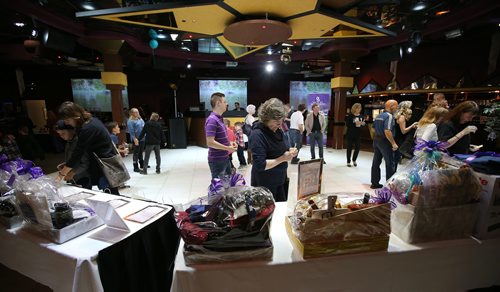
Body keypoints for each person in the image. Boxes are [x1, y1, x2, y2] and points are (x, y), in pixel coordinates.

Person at [55, 102, 121, 195]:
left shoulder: (88, 128)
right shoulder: (89, 122)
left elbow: (78, 153)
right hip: (100, 161)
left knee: (111, 192)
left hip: (105, 163)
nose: (66, 123)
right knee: (108, 191)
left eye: (67, 120)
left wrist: (62, 174)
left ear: (75, 116)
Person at [250, 98, 297, 202]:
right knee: (267, 214)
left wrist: (290, 151)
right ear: (266, 118)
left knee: (281, 211)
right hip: (265, 184)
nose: (279, 124)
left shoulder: (277, 131)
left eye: (281, 121)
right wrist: (282, 158)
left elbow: (282, 148)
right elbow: (260, 164)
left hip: (280, 179)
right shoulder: (257, 134)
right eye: (276, 121)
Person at [205, 92, 237, 179]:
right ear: (218, 103)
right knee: (219, 189)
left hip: (225, 157)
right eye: (225, 102)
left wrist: (230, 144)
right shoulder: (212, 120)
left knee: (227, 186)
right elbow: (210, 143)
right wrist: (228, 148)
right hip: (217, 160)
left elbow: (219, 139)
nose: (227, 104)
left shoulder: (219, 118)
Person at [55, 120, 92, 190]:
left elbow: (85, 163)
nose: (61, 136)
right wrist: (65, 164)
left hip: (83, 177)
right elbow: (73, 159)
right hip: (74, 178)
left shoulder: (78, 142)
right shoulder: (69, 142)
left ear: (71, 130)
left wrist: (72, 173)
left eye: (63, 133)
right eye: (59, 134)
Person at [370, 99, 399, 189]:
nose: (397, 108)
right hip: (385, 142)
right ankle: (389, 186)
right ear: (391, 106)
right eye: (396, 106)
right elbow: (387, 130)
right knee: (390, 163)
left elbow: (373, 129)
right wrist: (393, 143)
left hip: (377, 140)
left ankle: (374, 183)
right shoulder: (389, 116)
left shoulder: (379, 115)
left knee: (376, 162)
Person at [345, 103, 366, 167]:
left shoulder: (362, 116)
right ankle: (348, 161)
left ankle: (354, 160)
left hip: (358, 134)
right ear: (354, 108)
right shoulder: (350, 116)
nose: (359, 109)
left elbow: (363, 125)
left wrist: (363, 124)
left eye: (360, 108)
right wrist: (354, 123)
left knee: (357, 148)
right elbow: (347, 125)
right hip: (350, 134)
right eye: (358, 108)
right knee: (349, 148)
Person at [127, 108, 145, 172]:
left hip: (142, 138)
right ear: (132, 113)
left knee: (141, 152)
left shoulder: (140, 119)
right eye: (135, 112)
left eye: (137, 112)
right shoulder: (130, 121)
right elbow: (131, 131)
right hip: (136, 139)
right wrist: (135, 139)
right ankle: (135, 166)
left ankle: (142, 164)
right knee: (136, 153)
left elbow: (144, 127)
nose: (137, 113)